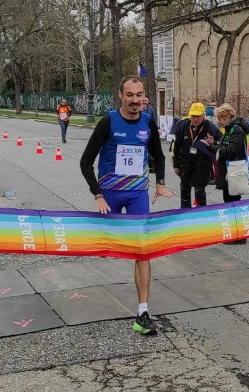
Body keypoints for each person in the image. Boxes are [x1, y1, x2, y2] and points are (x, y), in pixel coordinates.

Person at [79, 75, 173, 336]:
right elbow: (86, 161)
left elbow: (158, 156)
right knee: (102, 247)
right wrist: (97, 194)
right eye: (130, 95)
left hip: (137, 195)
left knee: (143, 250)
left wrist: (160, 183)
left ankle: (143, 312)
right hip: (109, 194)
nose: (135, 100)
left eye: (139, 95)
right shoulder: (108, 121)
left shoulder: (148, 121)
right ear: (120, 95)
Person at [213, 103, 249, 245]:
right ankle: (236, 233)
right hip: (230, 170)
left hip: (234, 171)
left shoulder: (236, 130)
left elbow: (232, 150)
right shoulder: (231, 129)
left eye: (221, 118)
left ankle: (239, 236)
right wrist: (215, 146)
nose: (219, 121)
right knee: (230, 201)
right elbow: (226, 146)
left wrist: (219, 149)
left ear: (227, 117)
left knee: (233, 203)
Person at [172, 102, 219, 208]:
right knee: (184, 192)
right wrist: (176, 165)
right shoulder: (183, 125)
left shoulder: (211, 128)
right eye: (193, 116)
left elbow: (221, 143)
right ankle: (184, 213)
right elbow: (177, 146)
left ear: (203, 115)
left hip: (202, 165)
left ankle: (201, 215)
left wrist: (213, 143)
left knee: (199, 193)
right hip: (185, 164)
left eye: (198, 116)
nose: (195, 119)